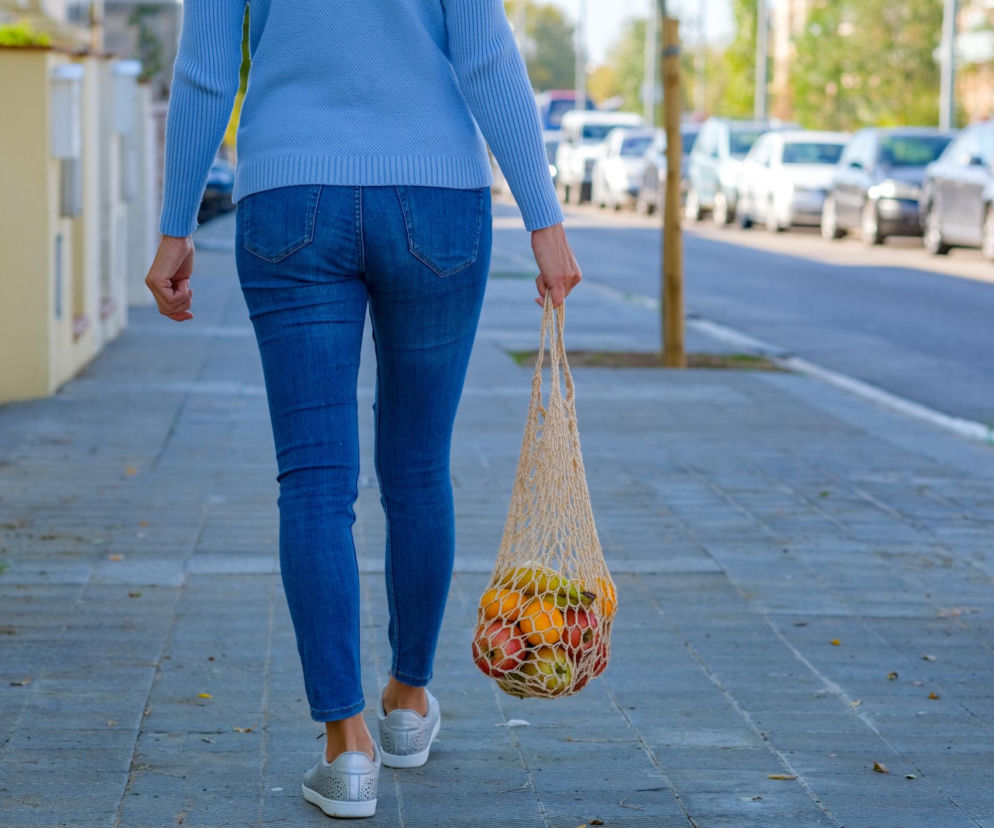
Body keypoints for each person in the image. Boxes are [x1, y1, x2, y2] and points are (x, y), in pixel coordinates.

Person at [144, 0, 582, 819]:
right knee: (417, 468)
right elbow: (486, 52)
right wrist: (544, 219)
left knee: (313, 482)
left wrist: (175, 228)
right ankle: (408, 703)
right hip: (438, 197)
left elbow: (205, 69)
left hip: (288, 195)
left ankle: (347, 747)